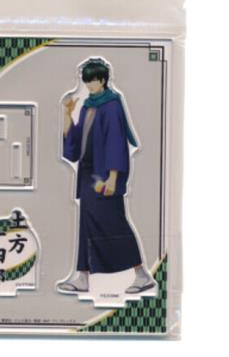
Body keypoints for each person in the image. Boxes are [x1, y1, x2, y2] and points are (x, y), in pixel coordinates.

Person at [57, 58, 156, 294]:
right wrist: (67, 114)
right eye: (86, 81)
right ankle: (82, 276)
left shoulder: (112, 105)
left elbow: (115, 142)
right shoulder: (88, 105)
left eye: (92, 80)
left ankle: (142, 275)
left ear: (102, 80)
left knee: (115, 224)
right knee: (86, 224)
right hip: (88, 174)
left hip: (104, 176)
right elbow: (75, 142)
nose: (89, 85)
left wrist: (113, 178)